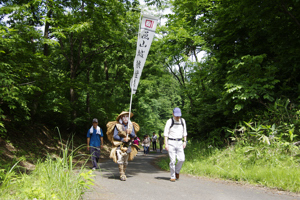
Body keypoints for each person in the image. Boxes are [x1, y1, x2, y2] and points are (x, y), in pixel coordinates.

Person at [106, 111, 140, 181]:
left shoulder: (131, 126)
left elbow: (134, 135)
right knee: (120, 159)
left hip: (128, 145)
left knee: (125, 160)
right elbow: (115, 136)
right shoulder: (117, 126)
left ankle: (124, 173)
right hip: (119, 144)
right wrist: (123, 139)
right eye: (124, 116)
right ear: (121, 117)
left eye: (127, 116)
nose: (125, 118)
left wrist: (130, 133)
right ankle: (121, 174)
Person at [164, 107, 187, 182]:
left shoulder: (182, 121)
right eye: (176, 115)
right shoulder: (169, 121)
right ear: (173, 114)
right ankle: (173, 175)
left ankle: (177, 171)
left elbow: (185, 132)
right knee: (172, 160)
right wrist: (166, 144)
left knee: (182, 159)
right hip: (171, 142)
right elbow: (166, 133)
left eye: (179, 115)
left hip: (180, 142)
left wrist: (185, 141)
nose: (177, 117)